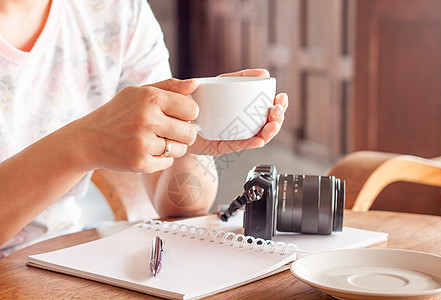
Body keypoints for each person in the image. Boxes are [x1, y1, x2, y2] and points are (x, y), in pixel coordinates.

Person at [0, 0, 288, 256]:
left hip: (58, 254)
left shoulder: (119, 13)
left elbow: (176, 205)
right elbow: (86, 142)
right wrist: (83, 145)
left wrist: (190, 136)